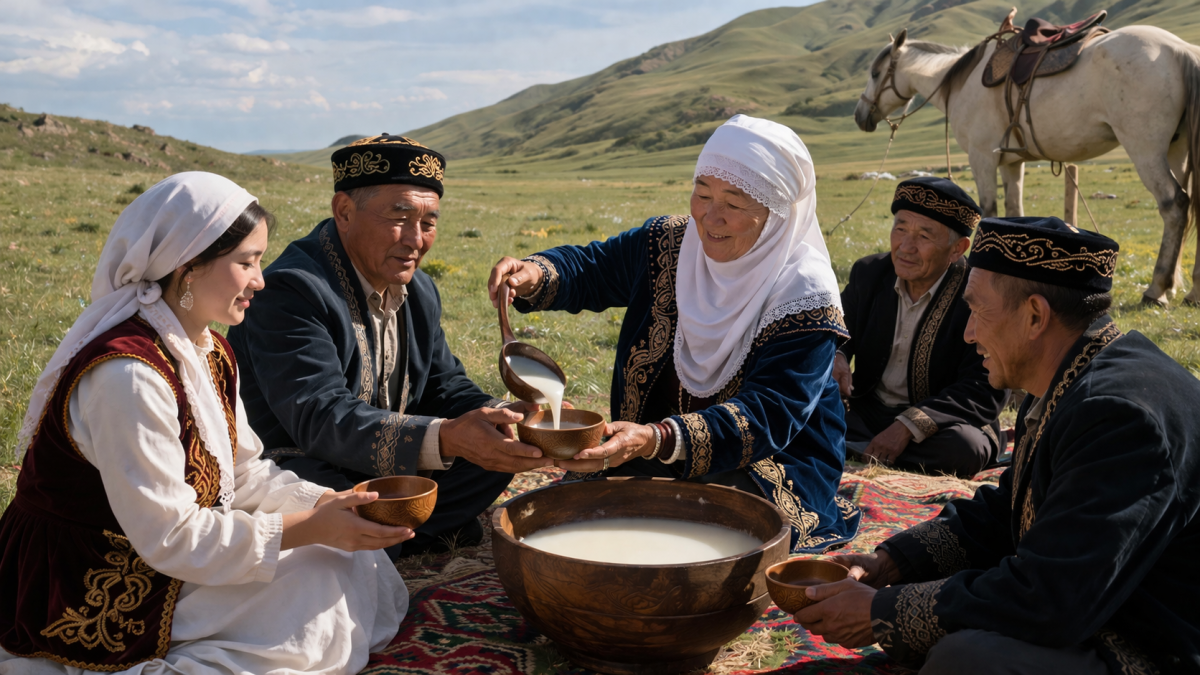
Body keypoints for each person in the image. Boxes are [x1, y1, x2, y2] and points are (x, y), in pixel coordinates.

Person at [0, 173, 410, 675]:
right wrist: (302, 531)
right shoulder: (127, 377)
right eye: (246, 262)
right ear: (188, 268)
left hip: (169, 552)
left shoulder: (207, 350)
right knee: (311, 595)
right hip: (89, 574)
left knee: (340, 560)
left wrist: (328, 505)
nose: (260, 279)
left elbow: (241, 475)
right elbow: (170, 536)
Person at [793, 216, 1200, 674]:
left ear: (1034, 316)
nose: (968, 333)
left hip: (1152, 645)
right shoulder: (1074, 373)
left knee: (966, 659)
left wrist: (883, 612)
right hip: (1097, 606)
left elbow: (1050, 598)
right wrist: (892, 563)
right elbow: (1010, 509)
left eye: (978, 310)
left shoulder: (1118, 416)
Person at [488, 115, 860, 553]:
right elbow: (592, 267)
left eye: (735, 204)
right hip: (648, 449)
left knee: (711, 523)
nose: (710, 216)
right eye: (702, 194)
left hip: (768, 464)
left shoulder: (804, 292)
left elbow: (769, 415)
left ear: (777, 213)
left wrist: (657, 439)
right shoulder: (669, 243)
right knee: (577, 509)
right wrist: (534, 274)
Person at [227, 135, 548, 559]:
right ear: (344, 212)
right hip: (297, 459)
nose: (416, 240)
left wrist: (499, 419)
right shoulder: (294, 290)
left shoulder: (420, 289)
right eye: (399, 217)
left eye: (429, 223)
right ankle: (403, 531)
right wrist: (447, 437)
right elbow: (320, 417)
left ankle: (400, 531)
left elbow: (442, 383)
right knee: (338, 498)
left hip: (386, 459)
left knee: (494, 457)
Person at [836, 177, 1006, 477]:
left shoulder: (978, 294)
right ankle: (866, 446)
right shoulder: (870, 273)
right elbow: (836, 331)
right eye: (900, 229)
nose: (906, 246)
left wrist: (909, 426)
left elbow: (985, 386)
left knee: (965, 448)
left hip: (941, 423)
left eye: (924, 236)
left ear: (958, 248)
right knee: (806, 409)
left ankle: (853, 448)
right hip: (867, 411)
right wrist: (837, 357)